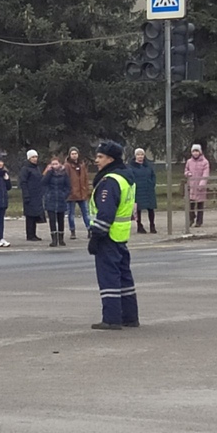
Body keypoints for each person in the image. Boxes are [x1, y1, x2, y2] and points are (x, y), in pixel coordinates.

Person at [88, 140, 139, 331]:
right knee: (124, 277)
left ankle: (111, 319)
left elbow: (106, 212)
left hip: (107, 237)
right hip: (121, 235)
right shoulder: (126, 177)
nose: (96, 160)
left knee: (109, 278)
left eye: (100, 157)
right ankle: (130, 317)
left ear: (110, 159)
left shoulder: (110, 181)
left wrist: (96, 236)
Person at [125, 148, 158, 234]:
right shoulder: (131, 167)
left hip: (148, 190)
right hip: (138, 190)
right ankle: (139, 226)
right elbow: (129, 178)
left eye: (142, 154)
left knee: (151, 209)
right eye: (138, 155)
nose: (140, 156)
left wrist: (152, 184)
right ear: (135, 156)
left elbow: (153, 176)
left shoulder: (148, 166)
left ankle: (152, 226)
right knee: (138, 209)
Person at [41, 156, 71, 247]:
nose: (54, 166)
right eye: (53, 164)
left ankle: (61, 238)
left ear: (60, 164)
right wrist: (49, 172)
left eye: (56, 164)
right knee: (52, 220)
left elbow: (68, 187)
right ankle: (54, 239)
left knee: (61, 220)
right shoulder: (49, 173)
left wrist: (64, 195)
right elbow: (43, 183)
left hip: (61, 199)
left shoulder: (64, 174)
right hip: (51, 198)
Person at [65, 147, 92, 239]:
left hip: (82, 193)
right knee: (71, 214)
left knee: (86, 213)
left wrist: (87, 190)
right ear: (69, 155)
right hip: (71, 194)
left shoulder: (82, 165)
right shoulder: (67, 166)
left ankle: (89, 229)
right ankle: (72, 231)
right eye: (72, 154)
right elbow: (65, 179)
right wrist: (68, 191)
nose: (74, 155)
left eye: (75, 153)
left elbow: (85, 178)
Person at [19, 149, 44, 241]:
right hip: (29, 195)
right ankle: (29, 234)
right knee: (30, 216)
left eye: (36, 157)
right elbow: (23, 182)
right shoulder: (25, 169)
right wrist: (26, 194)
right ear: (29, 158)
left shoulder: (37, 168)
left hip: (37, 195)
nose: (35, 159)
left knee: (35, 215)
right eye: (33, 157)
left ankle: (34, 234)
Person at [183, 143, 210, 228]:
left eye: (197, 151)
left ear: (200, 152)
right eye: (194, 151)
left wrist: (201, 185)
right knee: (190, 204)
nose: (195, 153)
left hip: (200, 187)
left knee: (200, 205)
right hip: (191, 186)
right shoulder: (189, 161)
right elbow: (186, 170)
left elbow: (205, 174)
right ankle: (191, 218)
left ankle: (199, 221)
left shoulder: (205, 162)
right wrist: (188, 174)